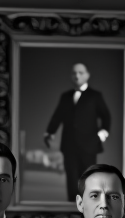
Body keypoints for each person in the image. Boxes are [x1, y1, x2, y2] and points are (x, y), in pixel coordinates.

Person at [44, 62, 112, 200]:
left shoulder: (95, 96)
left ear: (87, 75)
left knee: (88, 178)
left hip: (89, 145)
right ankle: (71, 209)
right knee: (71, 178)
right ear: (71, 76)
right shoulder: (65, 96)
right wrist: (50, 132)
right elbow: (58, 116)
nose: (77, 76)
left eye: (80, 73)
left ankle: (87, 209)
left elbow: (106, 116)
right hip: (69, 145)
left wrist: (102, 135)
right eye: (74, 73)